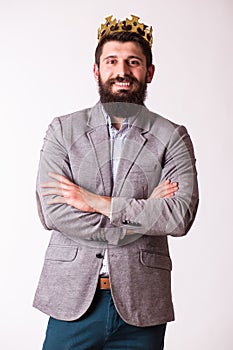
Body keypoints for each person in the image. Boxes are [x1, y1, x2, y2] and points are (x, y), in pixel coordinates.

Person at [33, 14, 199, 350]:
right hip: (72, 303)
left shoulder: (172, 137)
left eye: (133, 62)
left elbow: (179, 216)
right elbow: (53, 212)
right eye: (112, 61)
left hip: (141, 306)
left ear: (148, 72)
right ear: (97, 70)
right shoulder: (63, 131)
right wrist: (146, 210)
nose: (122, 71)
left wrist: (97, 202)